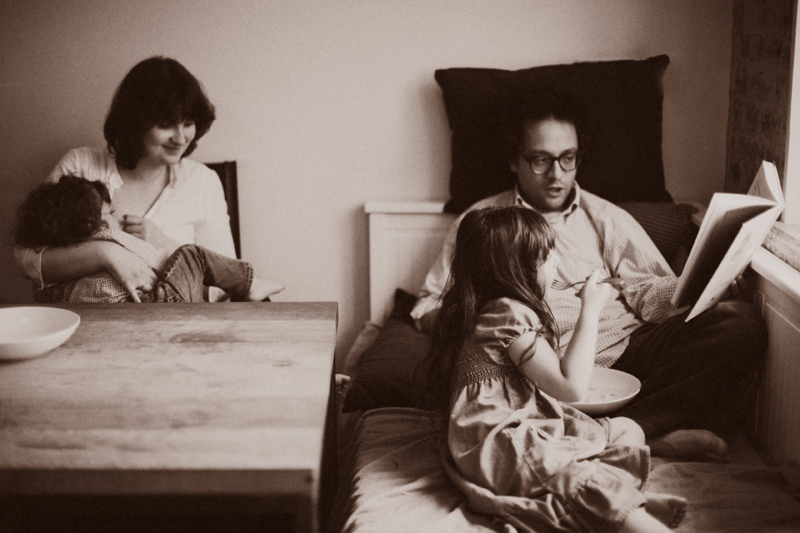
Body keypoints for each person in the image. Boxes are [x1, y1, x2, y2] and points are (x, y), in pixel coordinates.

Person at [412, 89, 767, 461]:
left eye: (568, 158)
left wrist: (704, 289)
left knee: (738, 323)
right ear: (514, 161)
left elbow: (650, 291)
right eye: (540, 160)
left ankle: (630, 429)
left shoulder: (605, 217)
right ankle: (635, 435)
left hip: (624, 353)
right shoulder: (483, 222)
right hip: (533, 371)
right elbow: (428, 308)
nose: (557, 175)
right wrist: (491, 326)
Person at [425, 205, 687, 532]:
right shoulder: (507, 313)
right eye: (548, 257)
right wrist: (590, 309)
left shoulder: (492, 312)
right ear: (517, 269)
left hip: (527, 427)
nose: (557, 262)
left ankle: (615, 499)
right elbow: (570, 387)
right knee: (584, 481)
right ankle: (617, 505)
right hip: (504, 443)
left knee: (627, 430)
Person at [14, 56, 237, 302]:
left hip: (176, 321)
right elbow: (28, 260)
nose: (181, 138)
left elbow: (226, 286)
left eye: (188, 123)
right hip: (82, 318)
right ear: (136, 123)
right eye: (166, 125)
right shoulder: (81, 166)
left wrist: (165, 245)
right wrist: (105, 253)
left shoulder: (203, 181)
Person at [14, 176, 284, 304]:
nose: (117, 219)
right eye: (111, 213)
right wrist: (163, 251)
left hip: (120, 321)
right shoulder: (108, 236)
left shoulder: (61, 268)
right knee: (193, 254)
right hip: (158, 304)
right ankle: (250, 283)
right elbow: (157, 262)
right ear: (92, 222)